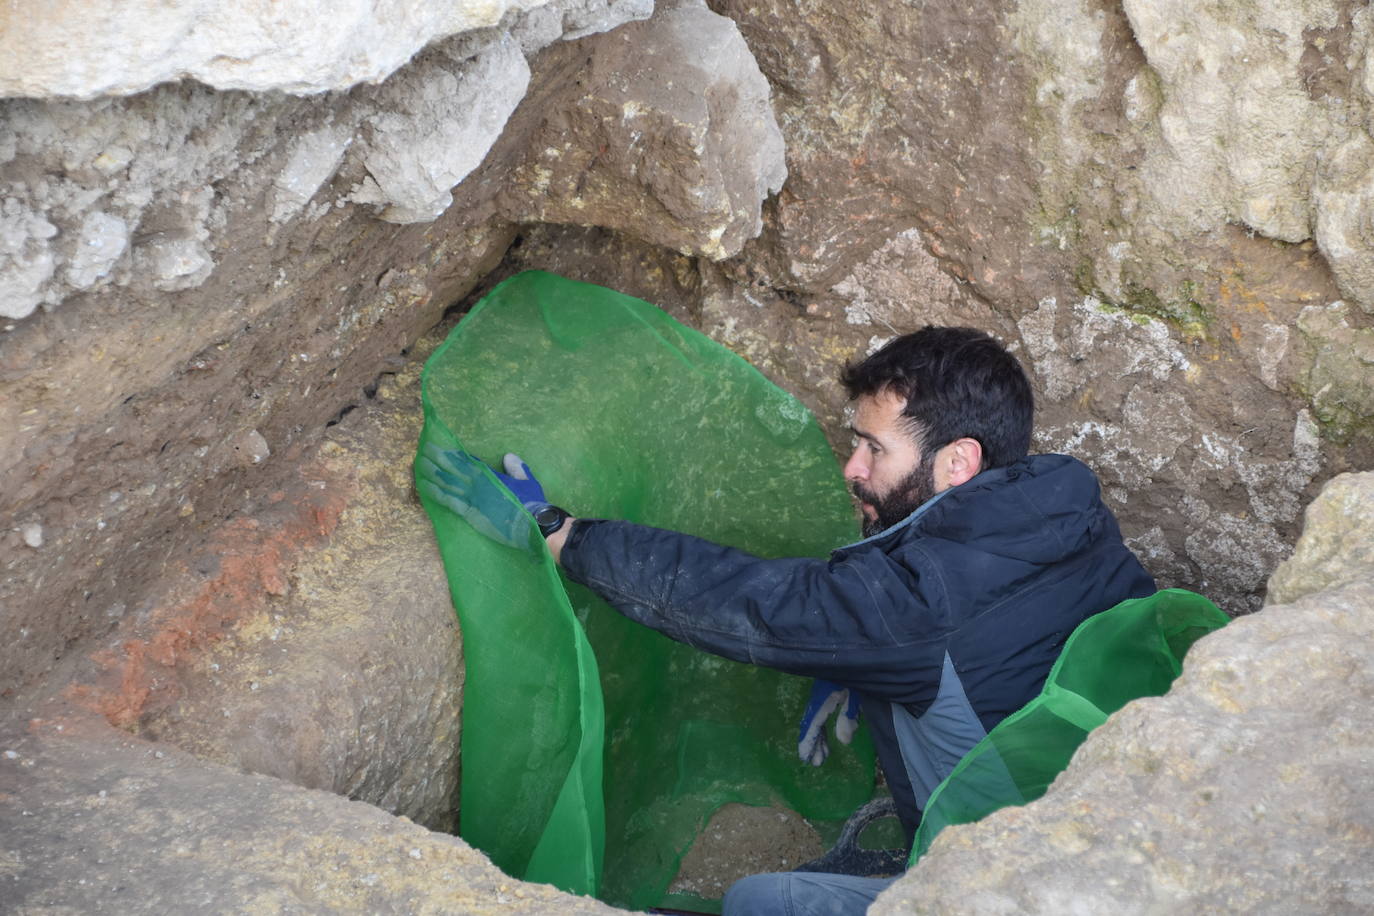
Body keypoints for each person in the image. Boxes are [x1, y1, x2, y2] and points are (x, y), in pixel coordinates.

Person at [424, 326, 1155, 915]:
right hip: (1127, 838)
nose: (851, 468)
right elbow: (962, 622)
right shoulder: (1069, 517)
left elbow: (745, 600)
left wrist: (564, 533)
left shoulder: (911, 613)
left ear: (959, 462)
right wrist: (861, 662)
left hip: (1033, 889)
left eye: (874, 448)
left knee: (763, 901)